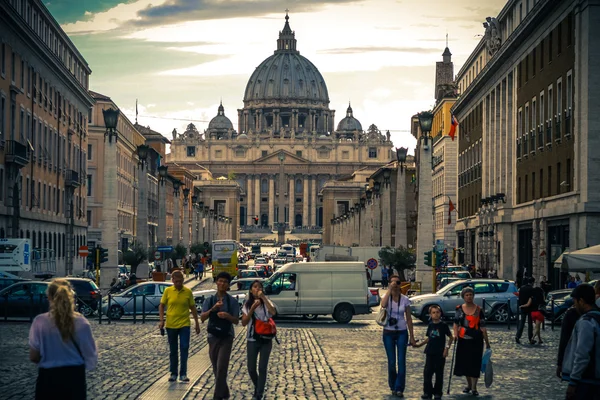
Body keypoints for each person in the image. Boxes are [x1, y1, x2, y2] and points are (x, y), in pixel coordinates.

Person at [29, 279, 98, 399]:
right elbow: (90, 354)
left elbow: (34, 356)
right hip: (74, 378)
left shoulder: (40, 322)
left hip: (48, 378)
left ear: (49, 297)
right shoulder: (82, 322)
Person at [200, 272, 240, 400]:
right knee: (216, 367)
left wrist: (227, 316)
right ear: (217, 282)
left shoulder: (232, 301)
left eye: (225, 282)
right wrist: (213, 309)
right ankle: (225, 393)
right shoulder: (210, 300)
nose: (222, 284)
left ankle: (217, 396)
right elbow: (202, 317)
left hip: (226, 336)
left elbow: (236, 320)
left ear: (228, 285)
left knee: (222, 366)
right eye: (220, 281)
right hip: (213, 336)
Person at [158, 270, 201, 382]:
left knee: (184, 347)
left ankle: (183, 373)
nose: (178, 283)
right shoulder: (168, 291)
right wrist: (161, 320)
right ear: (172, 280)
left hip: (184, 324)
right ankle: (173, 373)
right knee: (173, 350)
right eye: (176, 281)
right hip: (171, 324)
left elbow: (193, 308)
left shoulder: (187, 292)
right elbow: (161, 306)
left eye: (180, 281)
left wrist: (197, 323)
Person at [380, 274, 417, 398]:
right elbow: (383, 305)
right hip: (388, 332)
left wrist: (411, 336)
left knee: (401, 361)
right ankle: (392, 385)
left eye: (397, 282)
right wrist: (389, 290)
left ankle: (399, 388)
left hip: (401, 331)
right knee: (391, 362)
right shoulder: (387, 297)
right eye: (393, 282)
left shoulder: (405, 299)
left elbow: (409, 318)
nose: (396, 284)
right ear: (390, 283)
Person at [561, 284, 600, 400]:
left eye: (575, 301)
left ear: (581, 301)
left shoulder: (586, 322)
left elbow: (582, 354)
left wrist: (573, 382)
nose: (574, 305)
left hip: (586, 380)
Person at [241, 280, 277, 400]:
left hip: (266, 338)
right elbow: (244, 322)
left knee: (262, 367)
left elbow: (273, 312)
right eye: (255, 287)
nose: (257, 289)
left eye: (259, 287)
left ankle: (259, 394)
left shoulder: (266, 302)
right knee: (251, 368)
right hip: (252, 338)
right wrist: (252, 309)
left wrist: (263, 298)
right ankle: (258, 387)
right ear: (251, 290)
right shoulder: (247, 304)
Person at [453, 286, 491, 397]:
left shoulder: (479, 310)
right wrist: (455, 335)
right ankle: (469, 385)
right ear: (463, 297)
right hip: (463, 340)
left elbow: (483, 327)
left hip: (476, 340)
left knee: (475, 363)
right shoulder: (459, 308)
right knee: (465, 363)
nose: (469, 297)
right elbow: (456, 323)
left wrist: (487, 341)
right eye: (467, 295)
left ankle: (474, 387)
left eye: (471, 294)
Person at [414, 305, 453, 400]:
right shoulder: (431, 324)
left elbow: (451, 337)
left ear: (440, 313)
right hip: (430, 351)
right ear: (430, 315)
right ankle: (427, 392)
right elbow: (429, 338)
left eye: (437, 312)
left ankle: (438, 392)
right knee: (427, 373)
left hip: (440, 352)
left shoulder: (443, 325)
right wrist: (420, 345)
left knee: (439, 373)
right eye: (433, 313)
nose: (436, 314)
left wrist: (446, 348)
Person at [519, 279, 546, 345]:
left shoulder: (524, 290)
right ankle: (531, 338)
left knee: (523, 324)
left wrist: (521, 305)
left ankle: (539, 339)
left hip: (529, 311)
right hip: (536, 312)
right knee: (534, 327)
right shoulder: (537, 296)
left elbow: (525, 302)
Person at [516, 277, 535, 344]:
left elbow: (519, 296)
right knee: (530, 324)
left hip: (522, 307)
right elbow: (532, 299)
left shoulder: (522, 288)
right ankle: (530, 338)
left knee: (522, 323)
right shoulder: (532, 289)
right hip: (529, 308)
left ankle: (518, 336)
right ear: (532, 282)